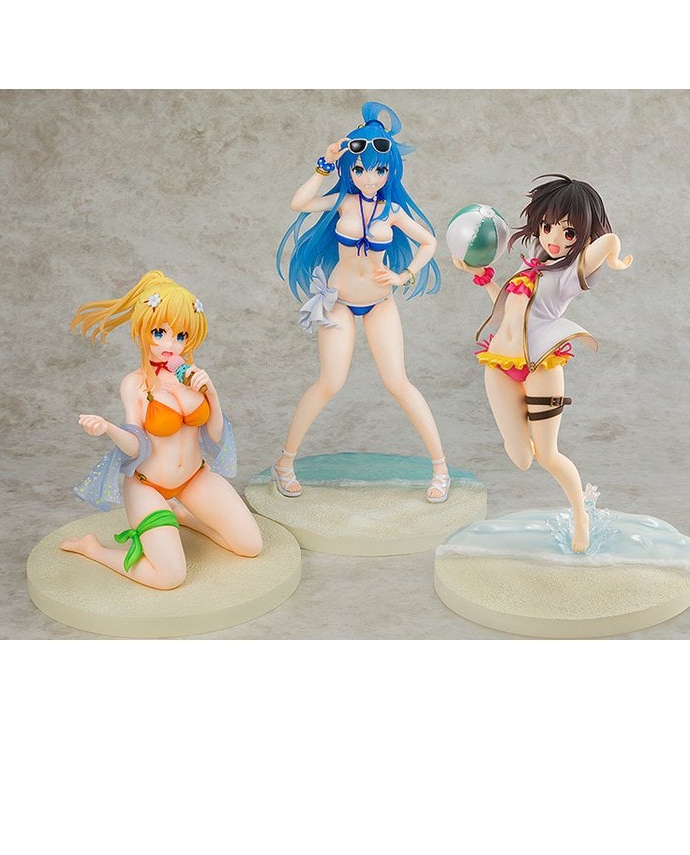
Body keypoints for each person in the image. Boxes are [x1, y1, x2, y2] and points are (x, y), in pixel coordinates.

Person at [273, 101, 450, 503]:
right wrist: (324, 164)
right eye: (360, 169)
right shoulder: (343, 202)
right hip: (339, 301)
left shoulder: (394, 209)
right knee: (330, 382)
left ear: (390, 171)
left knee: (398, 381)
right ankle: (284, 462)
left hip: (380, 302)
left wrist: (405, 275)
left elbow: (429, 242)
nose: (369, 178)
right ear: (349, 170)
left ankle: (441, 468)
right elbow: (299, 203)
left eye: (379, 170)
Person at [454, 175, 632, 551]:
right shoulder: (530, 267)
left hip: (540, 365)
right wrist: (480, 276)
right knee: (521, 457)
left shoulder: (568, 276)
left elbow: (608, 241)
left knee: (547, 454)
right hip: (499, 363)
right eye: (547, 226)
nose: (554, 238)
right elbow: (507, 310)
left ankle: (580, 516)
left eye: (568, 233)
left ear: (582, 237)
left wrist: (613, 255)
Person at [63, 270, 263, 589]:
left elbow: (215, 436)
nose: (171, 344)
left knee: (250, 546)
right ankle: (94, 549)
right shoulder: (135, 384)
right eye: (160, 332)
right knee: (170, 576)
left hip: (195, 477)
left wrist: (211, 393)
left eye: (181, 336)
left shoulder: (192, 376)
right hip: (149, 487)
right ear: (145, 331)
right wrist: (109, 428)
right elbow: (135, 446)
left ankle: (183, 516)